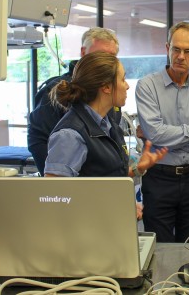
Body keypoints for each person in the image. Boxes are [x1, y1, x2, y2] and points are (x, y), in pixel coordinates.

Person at [43, 52, 168, 218]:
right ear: (107, 87)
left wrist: (137, 169)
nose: (127, 86)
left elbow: (104, 177)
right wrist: (115, 206)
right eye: (122, 79)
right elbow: (55, 199)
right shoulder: (70, 134)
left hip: (108, 225)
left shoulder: (107, 124)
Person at [135, 22, 189, 243]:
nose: (181, 56)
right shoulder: (147, 86)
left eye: (188, 51)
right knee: (159, 248)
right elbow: (155, 135)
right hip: (159, 178)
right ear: (167, 48)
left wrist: (166, 137)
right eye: (176, 49)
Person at [28, 27, 121, 176]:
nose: (107, 62)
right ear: (83, 52)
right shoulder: (57, 90)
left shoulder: (109, 93)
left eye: (112, 57)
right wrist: (55, 175)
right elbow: (38, 139)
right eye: (101, 54)